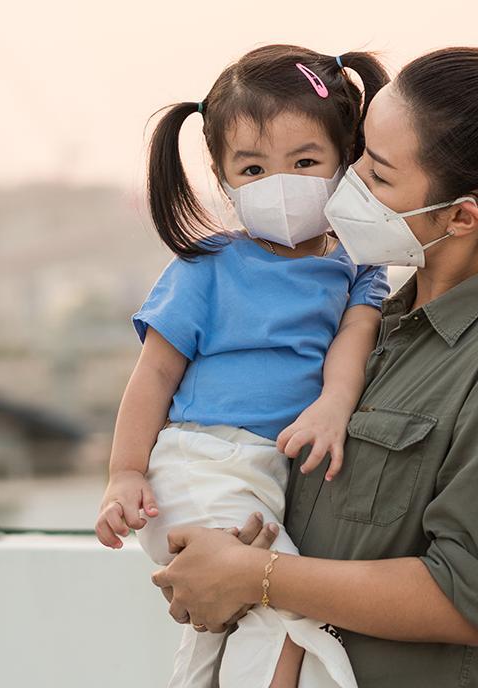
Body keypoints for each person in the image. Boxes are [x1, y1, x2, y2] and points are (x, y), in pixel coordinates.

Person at [151, 30, 478, 688]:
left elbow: (467, 599)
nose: (347, 182)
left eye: (378, 172)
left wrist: (259, 576)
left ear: (460, 217)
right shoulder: (377, 323)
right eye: (360, 152)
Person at [94, 44, 391, 687]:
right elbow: (154, 375)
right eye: (253, 168)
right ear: (223, 176)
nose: (279, 185)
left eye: (305, 162)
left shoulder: (358, 266)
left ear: (348, 158)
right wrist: (123, 473)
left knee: (223, 621)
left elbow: (354, 338)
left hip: (268, 475)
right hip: (201, 463)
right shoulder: (205, 265)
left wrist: (334, 405)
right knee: (284, 610)